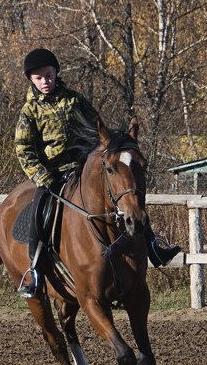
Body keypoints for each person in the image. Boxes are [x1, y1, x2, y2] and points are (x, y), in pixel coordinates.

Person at [13, 47, 181, 296]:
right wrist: (41, 176)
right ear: (31, 80)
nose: (45, 81)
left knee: (128, 198)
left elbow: (98, 130)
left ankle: (153, 247)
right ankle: (35, 271)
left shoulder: (74, 100)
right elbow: (23, 149)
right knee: (40, 211)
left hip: (83, 168)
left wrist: (114, 146)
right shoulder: (30, 112)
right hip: (52, 174)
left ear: (56, 73)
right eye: (39, 78)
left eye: (48, 75)